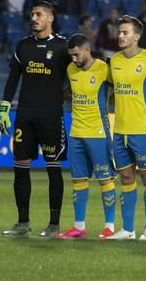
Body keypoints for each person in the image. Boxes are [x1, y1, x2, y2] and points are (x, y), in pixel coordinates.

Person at [0, 1, 70, 238]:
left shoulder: (62, 46)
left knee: (53, 169)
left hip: (50, 115)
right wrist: (4, 109)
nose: (34, 18)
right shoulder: (23, 46)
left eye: (39, 14)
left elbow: (78, 72)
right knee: (20, 168)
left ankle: (54, 224)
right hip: (25, 115)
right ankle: (23, 222)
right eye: (32, 14)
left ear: (50, 18)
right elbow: (12, 79)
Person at [107, 15, 146, 240]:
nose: (120, 36)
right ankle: (127, 229)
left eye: (125, 32)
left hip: (143, 129)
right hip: (120, 130)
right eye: (119, 32)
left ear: (137, 36)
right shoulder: (114, 61)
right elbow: (110, 91)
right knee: (126, 179)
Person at [56, 34, 116, 239]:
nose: (73, 59)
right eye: (71, 55)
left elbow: (121, 89)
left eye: (76, 54)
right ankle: (79, 227)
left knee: (104, 179)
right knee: (79, 181)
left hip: (98, 133)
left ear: (87, 49)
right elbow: (70, 93)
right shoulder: (71, 69)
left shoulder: (104, 69)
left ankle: (109, 226)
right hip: (76, 133)